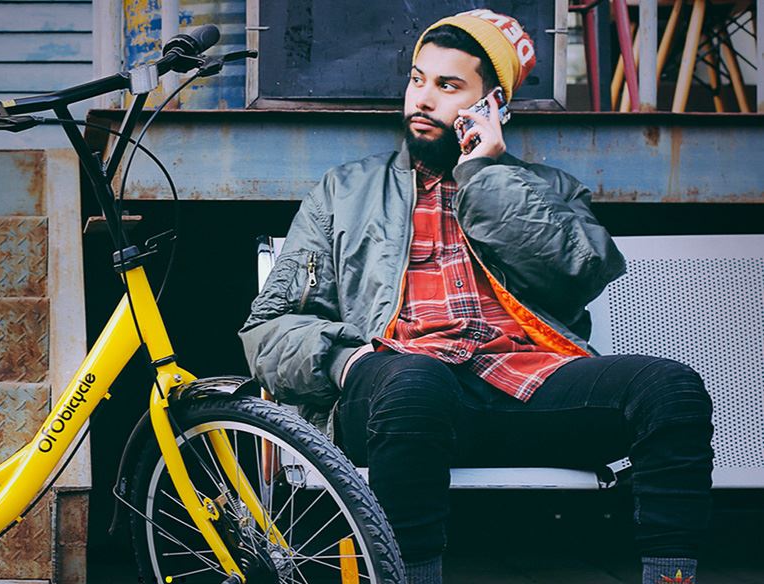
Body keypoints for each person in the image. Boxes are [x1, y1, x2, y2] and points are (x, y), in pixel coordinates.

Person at [239, 9, 714, 584]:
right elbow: (268, 327)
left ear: (492, 105)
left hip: (525, 388)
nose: (422, 98)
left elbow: (580, 271)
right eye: (418, 79)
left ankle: (671, 578)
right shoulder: (344, 191)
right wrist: (348, 359)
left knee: (670, 387)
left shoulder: (548, 188)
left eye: (448, 86)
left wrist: (485, 175)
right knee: (417, 381)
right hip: (398, 394)